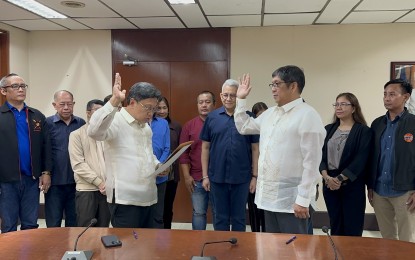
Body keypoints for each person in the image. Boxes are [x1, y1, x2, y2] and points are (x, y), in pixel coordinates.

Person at [234, 65, 325, 234]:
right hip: (268, 198)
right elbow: (244, 127)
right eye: (272, 85)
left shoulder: (308, 115)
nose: (273, 89)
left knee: (294, 251)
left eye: (277, 84)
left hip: (293, 201)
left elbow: (312, 163)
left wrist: (303, 199)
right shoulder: (270, 113)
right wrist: (240, 100)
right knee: (272, 250)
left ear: (293, 86)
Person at [88, 73, 167, 228]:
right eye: (148, 108)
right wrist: (114, 101)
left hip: (149, 196)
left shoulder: (145, 127)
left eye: (154, 109)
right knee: (127, 248)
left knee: (147, 246)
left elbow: (147, 154)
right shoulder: (116, 120)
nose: (151, 114)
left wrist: (157, 165)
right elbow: (94, 132)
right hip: (126, 200)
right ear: (132, 102)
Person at [201, 80, 259, 232]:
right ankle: (221, 250)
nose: (228, 99)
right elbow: (205, 147)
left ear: (238, 97)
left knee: (239, 218)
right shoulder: (212, 118)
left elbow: (255, 149)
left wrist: (255, 176)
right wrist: (205, 176)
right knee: (220, 218)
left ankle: (238, 252)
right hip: (217, 177)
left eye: (232, 95)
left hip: (242, 178)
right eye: (225, 95)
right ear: (221, 96)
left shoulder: (249, 117)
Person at [0, 73, 52, 233]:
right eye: (15, 86)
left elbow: (46, 146)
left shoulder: (36, 116)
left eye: (23, 86)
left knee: (30, 225)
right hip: (6, 182)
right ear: (3, 91)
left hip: (32, 180)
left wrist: (46, 172)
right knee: (9, 226)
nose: (21, 89)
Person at [368, 79, 415, 242]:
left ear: (406, 97)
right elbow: (371, 157)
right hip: (379, 191)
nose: (387, 98)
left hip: (406, 192)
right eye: (385, 94)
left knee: (406, 240)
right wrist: (370, 186)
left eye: (392, 94)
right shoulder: (377, 124)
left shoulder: (413, 123)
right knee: (387, 239)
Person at [320, 93, 372, 236]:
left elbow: (361, 160)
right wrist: (327, 178)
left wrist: (340, 179)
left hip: (352, 186)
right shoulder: (328, 129)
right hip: (329, 184)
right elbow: (320, 156)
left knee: (352, 226)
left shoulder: (363, 131)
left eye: (344, 104)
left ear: (354, 108)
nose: (339, 107)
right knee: (335, 224)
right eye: (336, 104)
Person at [45, 90, 85, 227]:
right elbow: (44, 150)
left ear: (74, 104)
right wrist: (45, 173)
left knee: (74, 220)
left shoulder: (81, 123)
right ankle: (53, 248)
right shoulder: (47, 123)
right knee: (53, 221)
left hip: (77, 181)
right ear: (54, 105)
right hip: (55, 181)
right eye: (62, 104)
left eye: (69, 104)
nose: (66, 108)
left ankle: (72, 248)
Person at [68, 99, 111, 227]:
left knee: (104, 228)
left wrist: (109, 183)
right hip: (87, 189)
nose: (101, 115)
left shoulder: (108, 134)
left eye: (103, 112)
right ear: (88, 113)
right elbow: (78, 165)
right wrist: (99, 182)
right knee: (86, 229)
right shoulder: (76, 135)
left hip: (106, 190)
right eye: (97, 111)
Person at [179, 91, 216, 230]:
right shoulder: (189, 126)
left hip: (217, 178)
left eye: (207, 102)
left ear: (214, 104)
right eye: (201, 102)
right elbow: (183, 154)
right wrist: (187, 177)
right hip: (196, 178)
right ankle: (198, 242)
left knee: (218, 213)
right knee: (199, 213)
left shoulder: (219, 123)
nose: (204, 105)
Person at [156, 97, 182, 229]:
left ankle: (166, 235)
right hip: (154, 172)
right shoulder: (149, 125)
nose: (161, 111)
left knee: (167, 207)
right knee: (155, 209)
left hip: (171, 175)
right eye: (158, 108)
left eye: (164, 108)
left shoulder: (176, 126)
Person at [149, 101, 170, 228]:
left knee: (158, 213)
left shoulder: (163, 123)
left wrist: (160, 165)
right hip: (143, 176)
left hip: (161, 176)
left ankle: (159, 245)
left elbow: (167, 147)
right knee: (145, 213)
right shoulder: (138, 123)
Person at [248, 102, 268, 232]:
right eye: (259, 116)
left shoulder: (272, 131)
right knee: (254, 210)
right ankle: (255, 235)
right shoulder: (250, 133)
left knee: (266, 212)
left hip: (267, 177)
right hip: (253, 176)